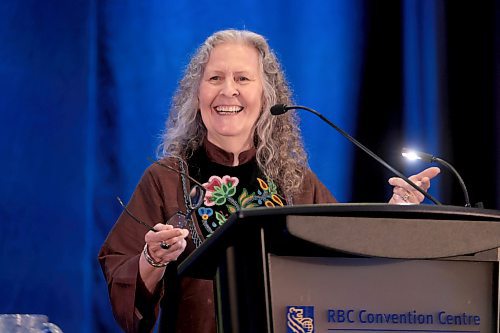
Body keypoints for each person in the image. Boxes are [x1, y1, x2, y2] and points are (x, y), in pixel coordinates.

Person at [98, 29, 440, 333]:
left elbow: (349, 254)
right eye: (215, 78)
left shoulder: (295, 183)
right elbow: (125, 296)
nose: (227, 90)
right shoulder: (166, 178)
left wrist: (397, 210)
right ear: (197, 94)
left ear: (266, 97)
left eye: (243, 79)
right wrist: (152, 258)